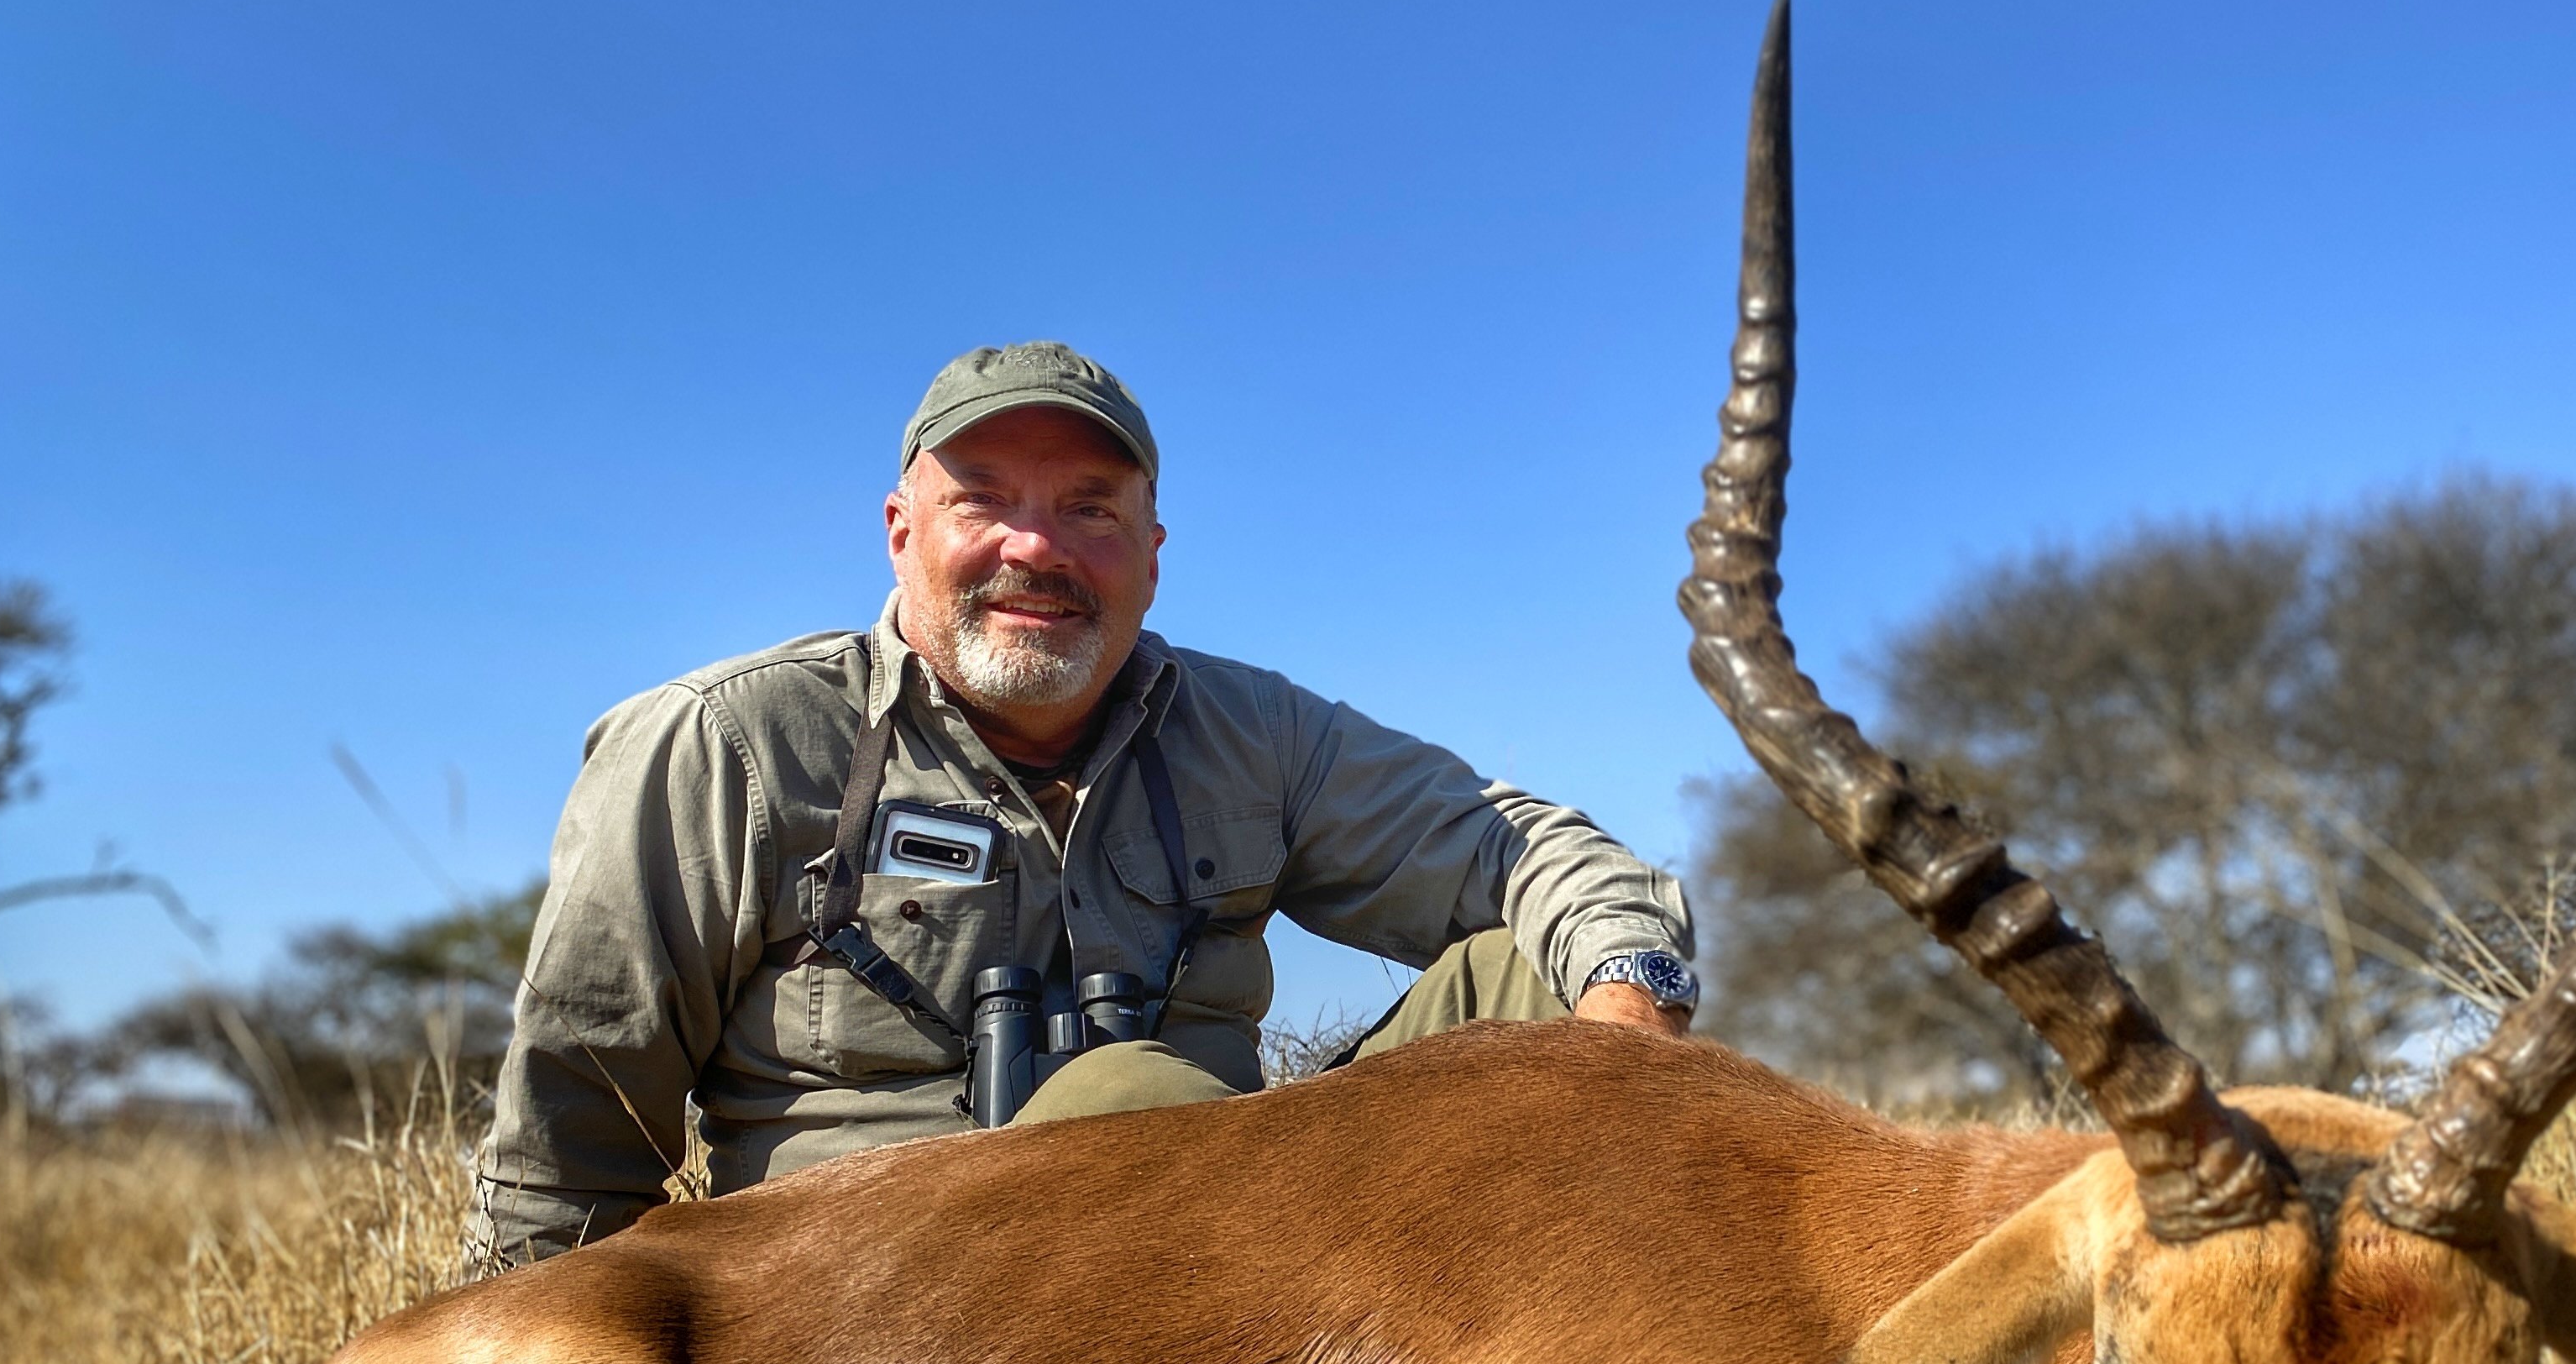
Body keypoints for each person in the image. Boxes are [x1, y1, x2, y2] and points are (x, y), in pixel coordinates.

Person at [470, 341, 1697, 1265]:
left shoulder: (1253, 731)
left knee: (1536, 983)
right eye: (985, 500)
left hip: (1232, 1267)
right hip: (860, 1311)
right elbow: (571, 1141)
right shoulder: (721, 744)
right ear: (901, 535)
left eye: (1090, 510)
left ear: (1154, 551)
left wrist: (1629, 1028)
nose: (1036, 548)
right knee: (1133, 1106)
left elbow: (1519, 849)